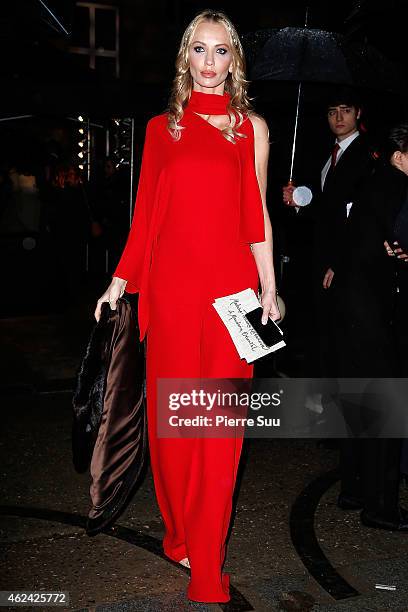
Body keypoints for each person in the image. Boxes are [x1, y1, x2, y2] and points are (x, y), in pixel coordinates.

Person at [94, 10, 279, 603]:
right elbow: (145, 215)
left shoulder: (252, 129)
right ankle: (178, 533)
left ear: (235, 61)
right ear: (185, 58)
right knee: (173, 436)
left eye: (220, 52)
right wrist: (120, 282)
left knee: (219, 434)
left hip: (232, 299)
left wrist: (269, 287)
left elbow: (259, 218)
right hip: (171, 298)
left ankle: (207, 568)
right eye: (198, 51)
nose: (208, 63)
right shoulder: (160, 129)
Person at [282, 87, 375, 378]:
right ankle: (325, 398)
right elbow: (324, 207)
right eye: (332, 112)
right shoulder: (326, 153)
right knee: (324, 332)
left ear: (358, 113)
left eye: (346, 110)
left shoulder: (368, 156)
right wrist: (297, 199)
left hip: (349, 263)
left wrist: (340, 262)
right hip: (320, 257)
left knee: (346, 337)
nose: (338, 117)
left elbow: (361, 216)